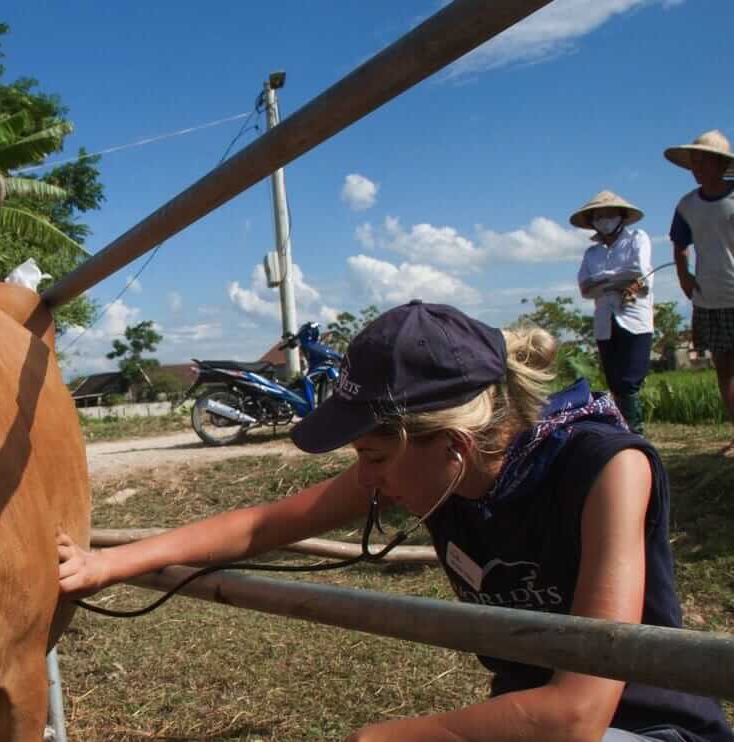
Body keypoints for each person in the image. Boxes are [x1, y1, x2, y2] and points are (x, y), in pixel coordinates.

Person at [59, 301, 733, 742]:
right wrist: (108, 563)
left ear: (453, 445)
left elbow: (577, 715)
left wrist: (381, 737)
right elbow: (261, 527)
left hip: (646, 729)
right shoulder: (434, 470)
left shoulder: (606, 469)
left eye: (374, 457)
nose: (367, 479)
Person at [667, 129, 734, 456]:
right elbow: (680, 245)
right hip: (710, 298)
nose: (697, 167)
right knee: (724, 369)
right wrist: (684, 277)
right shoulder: (687, 205)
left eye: (704, 160)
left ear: (721, 164)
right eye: (694, 161)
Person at [573, 190, 654, 434]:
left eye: (609, 215)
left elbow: (639, 271)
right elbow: (585, 287)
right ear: (591, 222)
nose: (604, 221)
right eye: (598, 217)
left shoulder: (637, 239)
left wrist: (603, 281)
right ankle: (623, 430)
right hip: (605, 321)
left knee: (631, 379)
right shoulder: (592, 253)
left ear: (621, 216)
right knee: (615, 380)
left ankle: (635, 431)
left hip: (634, 317)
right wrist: (616, 279)